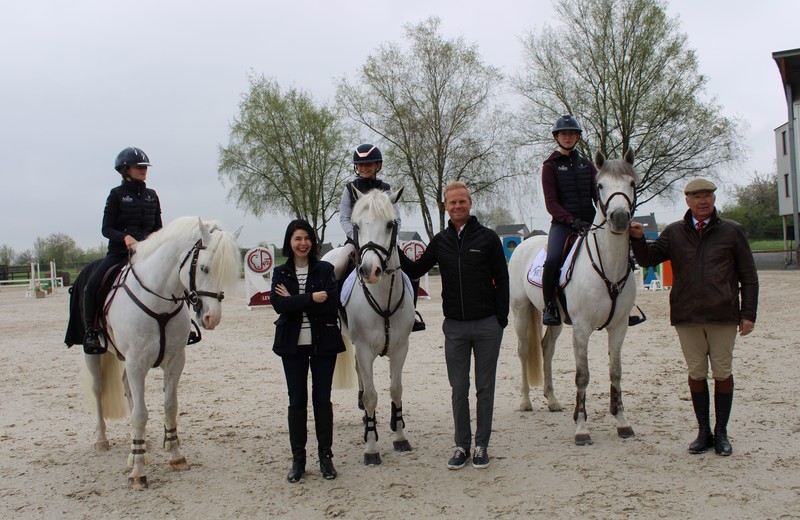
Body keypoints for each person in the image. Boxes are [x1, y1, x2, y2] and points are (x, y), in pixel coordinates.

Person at [630, 178, 758, 456]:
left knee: (722, 372)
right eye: (697, 197)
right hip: (687, 316)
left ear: (713, 199)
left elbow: (749, 276)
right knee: (696, 373)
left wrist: (748, 314)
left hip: (723, 315)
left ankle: (721, 432)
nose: (703, 201)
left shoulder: (733, 231)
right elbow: (648, 260)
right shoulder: (674, 232)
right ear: (686, 200)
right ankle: (704, 432)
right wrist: (639, 240)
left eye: (707, 196)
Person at [399, 181, 509, 470]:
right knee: (458, 388)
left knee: (485, 388)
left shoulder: (487, 239)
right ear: (446, 207)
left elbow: (503, 279)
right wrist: (391, 246)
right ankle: (462, 445)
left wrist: (501, 319)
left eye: (462, 201)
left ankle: (481, 445)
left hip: (487, 326)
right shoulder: (439, 242)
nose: (457, 206)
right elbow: (414, 270)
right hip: (455, 329)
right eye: (452, 203)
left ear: (470, 204)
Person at [271, 219, 345, 483]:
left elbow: (332, 303)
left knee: (322, 400)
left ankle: (326, 457)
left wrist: (294, 300)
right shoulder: (281, 272)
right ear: (289, 242)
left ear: (312, 241)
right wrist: (311, 298)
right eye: (297, 238)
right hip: (292, 345)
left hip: (323, 342)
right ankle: (298, 459)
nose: (302, 243)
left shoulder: (325, 269)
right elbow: (278, 305)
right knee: (297, 400)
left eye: (306, 238)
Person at [83, 146, 162, 354]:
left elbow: (158, 227)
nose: (144, 169)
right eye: (139, 166)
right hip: (119, 254)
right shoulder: (116, 195)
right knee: (91, 286)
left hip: (148, 255)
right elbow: (106, 228)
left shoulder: (152, 196)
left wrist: (155, 236)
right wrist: (125, 237)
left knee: (174, 279)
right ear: (125, 169)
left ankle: (185, 324)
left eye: (145, 166)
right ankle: (91, 332)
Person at [338, 143, 425, 331]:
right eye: (360, 165)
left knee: (413, 273)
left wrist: (389, 239)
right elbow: (344, 217)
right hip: (356, 240)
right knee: (335, 268)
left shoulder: (386, 189)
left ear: (378, 165)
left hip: (383, 243)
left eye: (368, 164)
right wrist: (355, 237)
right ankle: (335, 315)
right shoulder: (350, 188)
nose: (363, 168)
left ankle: (412, 316)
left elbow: (396, 219)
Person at [540, 115, 599, 326]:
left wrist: (602, 216)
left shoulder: (587, 165)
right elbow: (551, 203)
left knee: (620, 252)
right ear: (557, 137)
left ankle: (622, 305)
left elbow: (597, 196)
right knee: (554, 258)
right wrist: (571, 220)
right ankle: (549, 306)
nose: (568, 137)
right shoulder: (550, 166)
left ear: (577, 137)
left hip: (591, 222)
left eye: (572, 134)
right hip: (563, 224)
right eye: (564, 134)